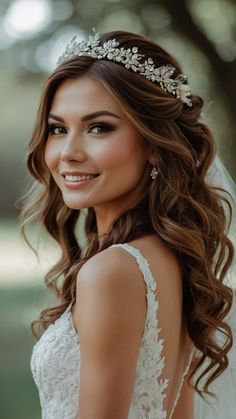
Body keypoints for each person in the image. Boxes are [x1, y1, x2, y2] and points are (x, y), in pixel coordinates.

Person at [20, 29, 236, 419]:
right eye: (58, 129)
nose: (68, 153)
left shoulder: (111, 271)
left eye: (99, 127)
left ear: (153, 144)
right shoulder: (172, 258)